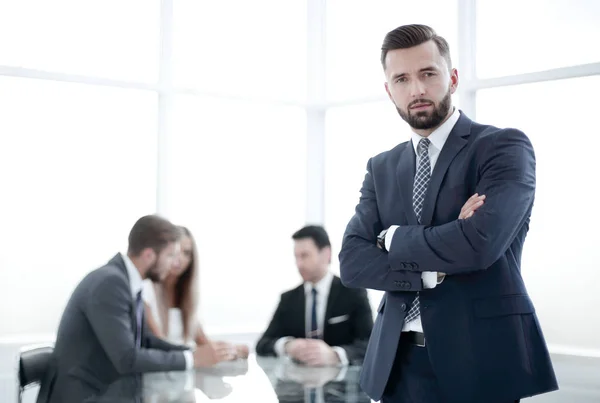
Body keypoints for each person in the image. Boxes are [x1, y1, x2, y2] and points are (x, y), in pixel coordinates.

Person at [338, 24, 558, 403]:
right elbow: (352, 262)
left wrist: (390, 238)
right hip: (396, 364)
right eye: (402, 79)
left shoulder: (502, 147)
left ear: (452, 78)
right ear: (389, 90)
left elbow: (479, 245)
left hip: (480, 361)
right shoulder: (381, 167)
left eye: (428, 74)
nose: (417, 89)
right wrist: (433, 264)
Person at [37, 215, 235, 403]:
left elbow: (147, 341)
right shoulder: (110, 283)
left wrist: (194, 352)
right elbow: (127, 358)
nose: (174, 263)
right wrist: (190, 358)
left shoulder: (126, 282)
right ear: (149, 255)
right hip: (87, 397)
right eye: (170, 255)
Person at [256, 225, 373, 366]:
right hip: (298, 382)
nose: (299, 264)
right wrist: (288, 345)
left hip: (342, 383)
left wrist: (335, 355)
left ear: (326, 254)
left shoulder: (353, 292)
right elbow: (262, 344)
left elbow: (370, 344)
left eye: (305, 255)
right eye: (296, 256)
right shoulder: (288, 299)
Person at [143, 225, 249, 358]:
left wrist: (230, 349)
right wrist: (197, 354)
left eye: (186, 253)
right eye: (175, 252)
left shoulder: (187, 298)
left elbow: (204, 343)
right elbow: (160, 345)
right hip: (161, 369)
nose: (180, 258)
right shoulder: (147, 290)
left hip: (183, 370)